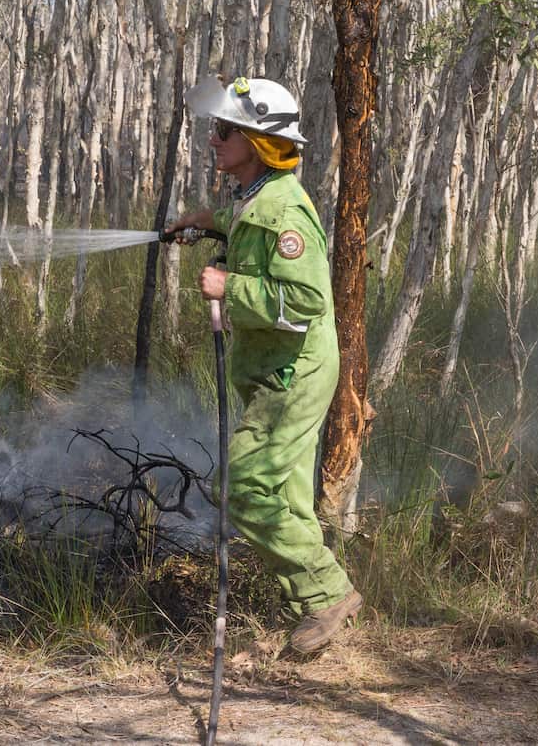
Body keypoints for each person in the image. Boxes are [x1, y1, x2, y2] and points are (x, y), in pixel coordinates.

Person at [165, 75, 361, 655]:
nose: (214, 139)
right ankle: (316, 612)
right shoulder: (257, 197)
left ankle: (328, 592)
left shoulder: (284, 211)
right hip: (276, 369)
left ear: (257, 142)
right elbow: (244, 222)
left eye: (225, 131)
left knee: (244, 486)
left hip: (292, 375)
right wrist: (205, 219)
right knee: (288, 495)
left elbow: (306, 300)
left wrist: (229, 287)